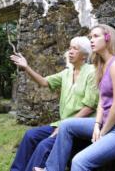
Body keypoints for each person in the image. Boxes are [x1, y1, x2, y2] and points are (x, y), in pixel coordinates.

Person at [34, 24, 115, 171]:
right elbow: (102, 101)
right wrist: (97, 124)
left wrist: (102, 132)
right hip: (107, 124)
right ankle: (52, 169)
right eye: (90, 37)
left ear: (108, 39)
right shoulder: (101, 66)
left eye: (96, 36)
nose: (91, 40)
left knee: (79, 162)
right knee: (66, 125)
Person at [9, 36, 99, 171]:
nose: (70, 51)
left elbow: (89, 107)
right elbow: (44, 82)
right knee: (30, 136)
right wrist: (26, 67)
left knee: (44, 145)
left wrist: (63, 127)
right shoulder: (66, 73)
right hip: (61, 125)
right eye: (69, 48)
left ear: (84, 54)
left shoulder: (92, 72)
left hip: (79, 127)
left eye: (75, 48)